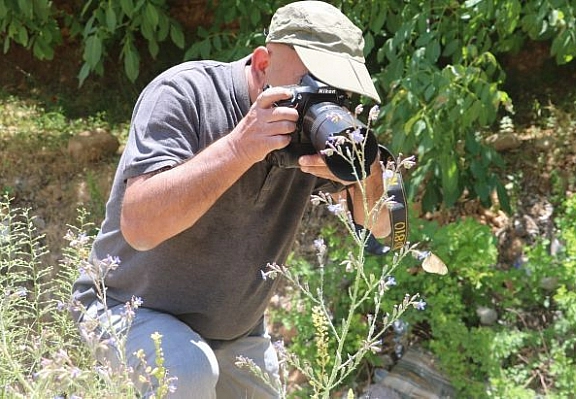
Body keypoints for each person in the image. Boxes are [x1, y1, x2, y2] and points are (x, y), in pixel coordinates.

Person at [71, 1, 390, 397]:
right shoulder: (185, 93)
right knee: (187, 373)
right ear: (262, 64)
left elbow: (382, 228)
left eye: (338, 92)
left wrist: (365, 172)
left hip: (235, 333)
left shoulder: (318, 132)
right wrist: (241, 147)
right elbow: (139, 227)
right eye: (310, 86)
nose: (324, 103)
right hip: (125, 306)